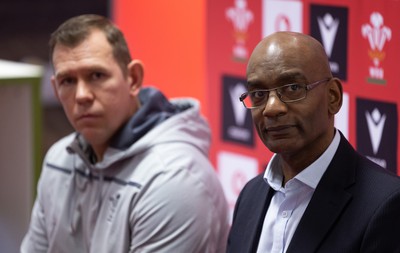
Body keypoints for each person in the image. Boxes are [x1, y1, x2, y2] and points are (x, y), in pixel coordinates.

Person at [21, 14, 229, 253]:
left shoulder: (174, 179)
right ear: (56, 90)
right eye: (67, 81)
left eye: (96, 76)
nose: (81, 95)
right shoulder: (59, 159)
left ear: (133, 79)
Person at [226, 31, 400, 253]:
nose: (271, 108)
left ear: (333, 97)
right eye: (258, 93)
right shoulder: (250, 195)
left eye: (292, 88)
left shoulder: (386, 205)